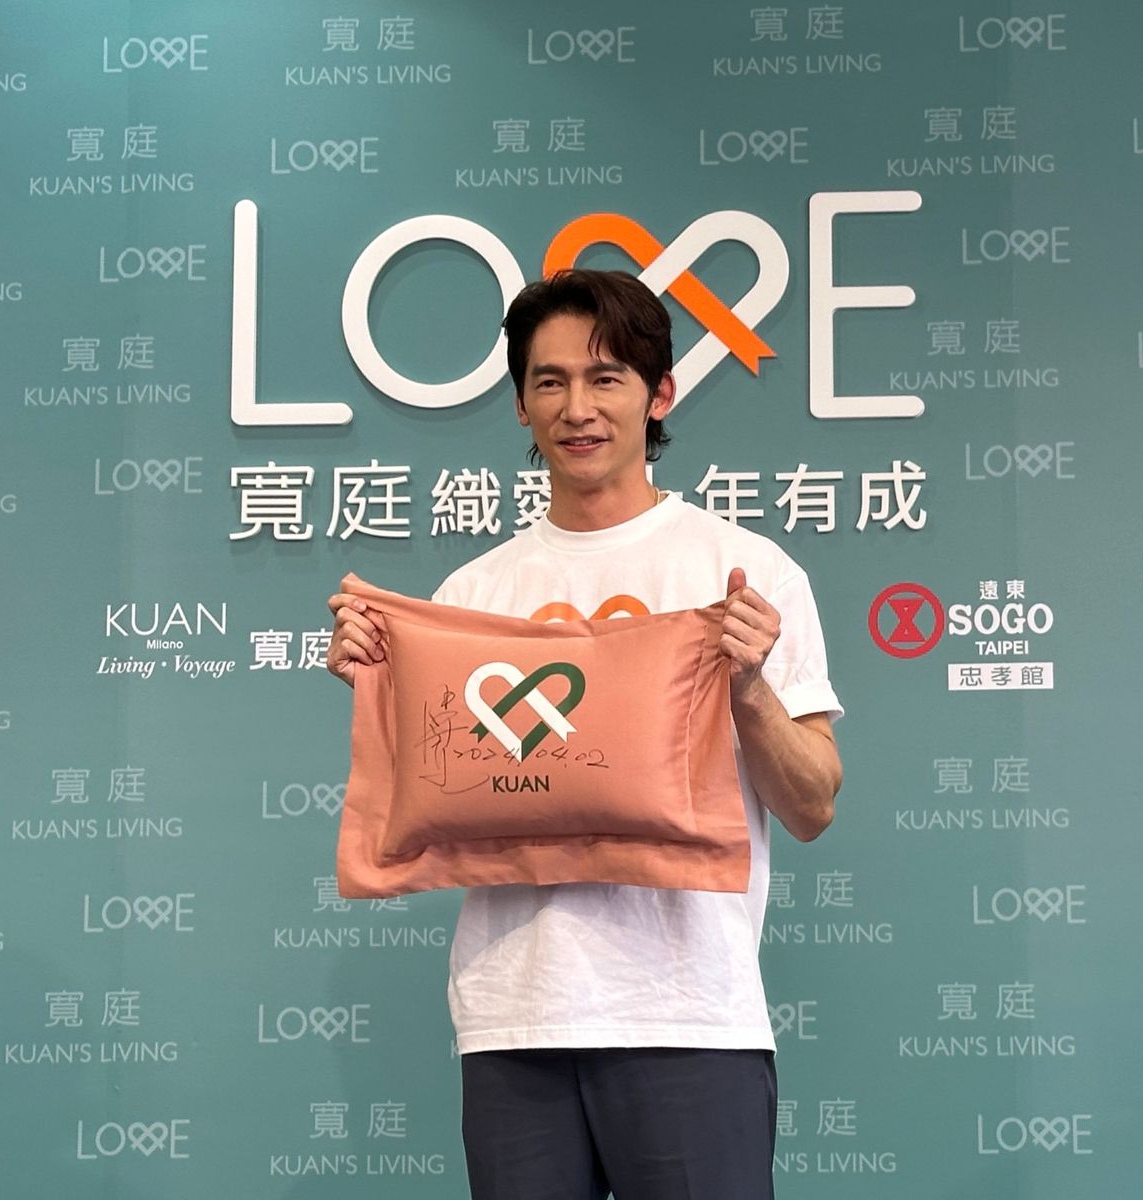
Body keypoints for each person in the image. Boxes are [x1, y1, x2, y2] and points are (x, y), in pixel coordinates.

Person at [325, 268, 843, 1200]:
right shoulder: (472, 596)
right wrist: (376, 678)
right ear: (520, 404)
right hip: (511, 1020)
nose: (578, 408)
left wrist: (751, 688)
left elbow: (812, 807)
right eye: (550, 381)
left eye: (606, 378)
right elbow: (431, 802)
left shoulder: (746, 572)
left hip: (691, 1018)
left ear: (659, 395)